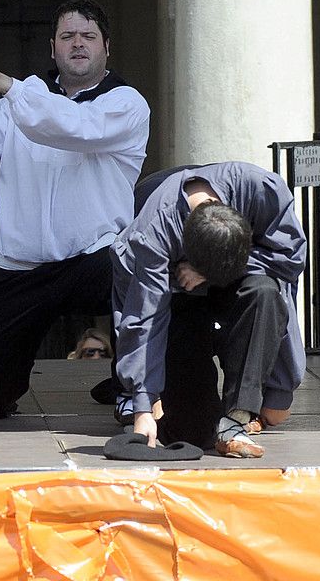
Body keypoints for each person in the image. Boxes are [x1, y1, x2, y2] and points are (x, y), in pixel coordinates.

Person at [0, 0, 150, 418]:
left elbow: (73, 128)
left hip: (95, 258)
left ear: (107, 46)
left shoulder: (126, 103)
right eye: (67, 36)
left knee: (143, 271)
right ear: (53, 48)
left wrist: (8, 86)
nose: (78, 44)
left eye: (88, 36)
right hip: (21, 269)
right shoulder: (22, 101)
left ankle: (133, 384)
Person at [113, 162, 307, 459]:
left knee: (264, 290)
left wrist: (281, 388)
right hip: (179, 300)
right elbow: (144, 319)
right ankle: (185, 412)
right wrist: (142, 403)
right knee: (193, 434)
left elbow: (290, 259)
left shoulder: (261, 190)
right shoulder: (154, 233)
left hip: (243, 277)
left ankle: (237, 417)